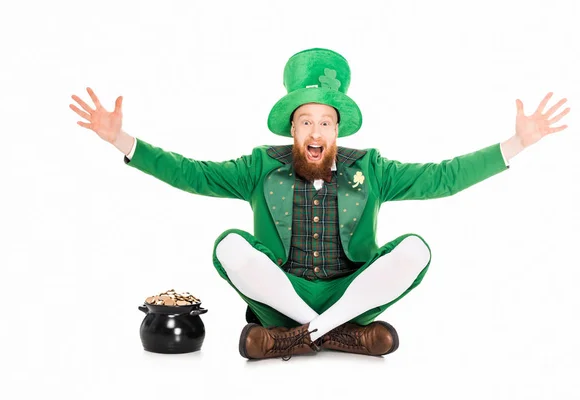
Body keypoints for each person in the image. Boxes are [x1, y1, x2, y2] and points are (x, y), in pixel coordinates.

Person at [70, 48, 570, 361]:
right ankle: (335, 336)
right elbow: (193, 173)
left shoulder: (371, 167)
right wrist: (124, 141)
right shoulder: (259, 166)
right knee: (228, 245)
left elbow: (442, 178)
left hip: (351, 291)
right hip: (280, 294)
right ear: (292, 128)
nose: (315, 131)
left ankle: (304, 337)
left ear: (338, 129)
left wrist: (516, 144)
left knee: (416, 247)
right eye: (305, 121)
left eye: (324, 122)